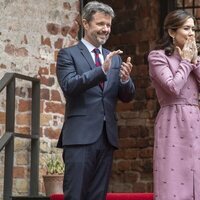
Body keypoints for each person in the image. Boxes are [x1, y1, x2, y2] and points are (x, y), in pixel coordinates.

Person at [56, 1, 135, 200]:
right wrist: (101, 71)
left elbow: (127, 96)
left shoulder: (114, 58)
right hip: (79, 138)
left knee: (97, 196)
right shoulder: (68, 54)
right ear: (85, 23)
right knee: (76, 195)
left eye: (108, 25)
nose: (106, 29)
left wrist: (125, 80)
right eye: (100, 24)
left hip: (106, 138)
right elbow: (69, 86)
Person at [148, 10, 200, 200]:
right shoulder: (157, 57)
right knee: (173, 180)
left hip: (195, 121)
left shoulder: (193, 58)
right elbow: (173, 87)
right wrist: (185, 61)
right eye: (187, 28)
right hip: (173, 121)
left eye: (193, 28)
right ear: (171, 32)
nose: (192, 33)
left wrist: (194, 61)